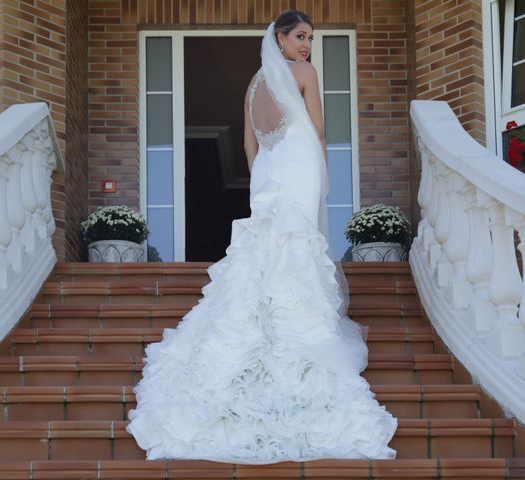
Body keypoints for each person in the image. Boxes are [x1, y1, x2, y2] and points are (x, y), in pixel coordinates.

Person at [126, 10, 397, 464]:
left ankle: (267, 321)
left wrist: (261, 178)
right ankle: (298, 324)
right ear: (280, 38)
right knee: (297, 244)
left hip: (269, 172)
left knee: (268, 248)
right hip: (300, 163)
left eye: (311, 38)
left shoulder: (253, 84)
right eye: (300, 36)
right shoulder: (303, 72)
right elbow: (318, 130)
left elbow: (250, 145)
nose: (307, 45)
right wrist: (320, 174)